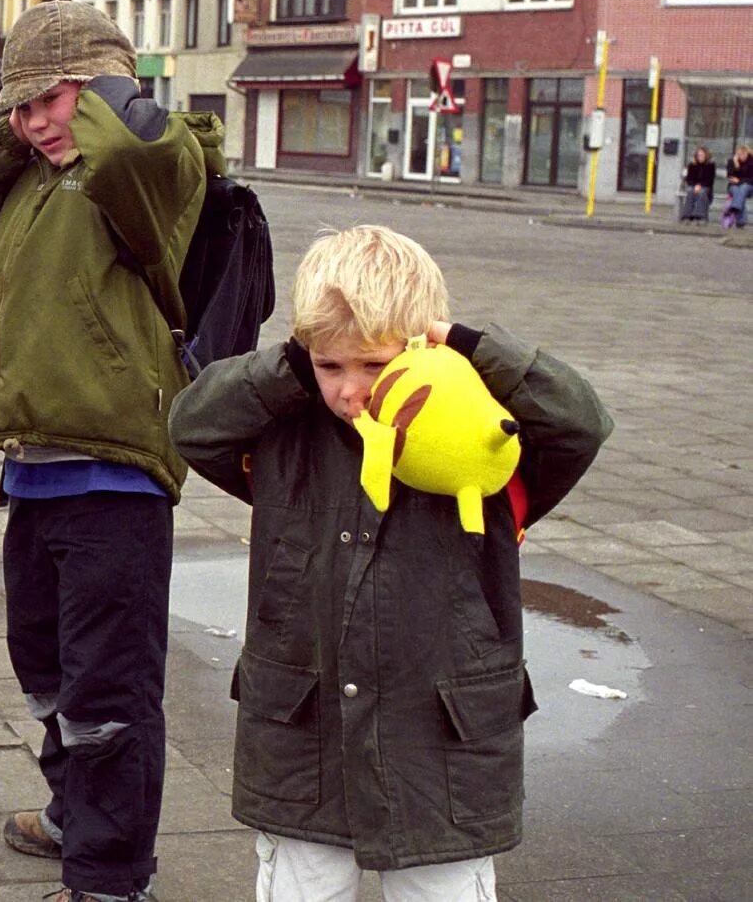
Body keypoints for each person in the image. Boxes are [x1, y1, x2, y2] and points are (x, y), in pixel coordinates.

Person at [168, 225, 613, 902]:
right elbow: (192, 422)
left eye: (374, 366)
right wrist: (290, 366)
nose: (350, 391)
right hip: (304, 741)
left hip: (442, 748)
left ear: (422, 347)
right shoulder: (286, 428)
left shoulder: (482, 432)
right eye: (330, 366)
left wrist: (469, 347)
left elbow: (579, 420)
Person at [0, 0, 225, 902]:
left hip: (116, 477)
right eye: (20, 106)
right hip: (37, 468)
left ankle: (111, 877)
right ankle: (71, 814)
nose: (36, 122)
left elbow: (130, 145)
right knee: (46, 667)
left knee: (110, 692)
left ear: (107, 87)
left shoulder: (161, 167)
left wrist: (98, 87)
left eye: (55, 100)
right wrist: (18, 118)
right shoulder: (33, 178)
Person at [680, 146, 715, 222]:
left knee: (702, 192)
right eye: (698, 155)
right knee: (690, 191)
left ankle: (698, 216)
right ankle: (687, 215)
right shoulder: (692, 165)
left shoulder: (711, 165)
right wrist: (695, 185)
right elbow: (689, 179)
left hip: (706, 187)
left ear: (706, 156)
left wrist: (700, 185)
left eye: (702, 155)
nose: (700, 157)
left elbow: (710, 180)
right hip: (693, 186)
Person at [724, 144, 751, 229]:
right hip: (733, 187)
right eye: (740, 154)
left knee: (743, 187)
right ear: (737, 154)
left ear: (748, 153)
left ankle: (734, 208)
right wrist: (736, 165)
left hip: (749, 187)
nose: (742, 156)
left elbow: (751, 179)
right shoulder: (731, 161)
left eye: (744, 154)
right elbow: (730, 176)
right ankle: (740, 221)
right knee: (737, 191)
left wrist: (739, 181)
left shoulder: (751, 162)